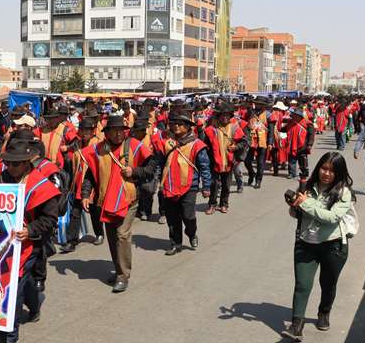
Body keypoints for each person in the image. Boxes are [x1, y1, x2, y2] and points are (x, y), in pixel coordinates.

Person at [0, 139, 60, 343]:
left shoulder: (42, 186)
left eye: (15, 164)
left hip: (29, 244)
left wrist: (30, 230)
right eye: (7, 163)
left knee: (13, 286)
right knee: (24, 281)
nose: (9, 167)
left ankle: (8, 335)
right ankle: (34, 303)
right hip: (2, 241)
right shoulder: (0, 180)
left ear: (26, 163)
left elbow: (50, 220)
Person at [282, 152, 354, 342]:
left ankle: (324, 312)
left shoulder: (343, 192)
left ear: (339, 173)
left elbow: (331, 218)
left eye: (332, 170)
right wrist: (295, 206)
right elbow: (296, 214)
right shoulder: (308, 187)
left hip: (334, 246)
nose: (327, 173)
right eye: (324, 168)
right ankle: (296, 326)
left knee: (328, 284)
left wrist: (306, 203)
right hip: (306, 243)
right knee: (302, 284)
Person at [81, 115, 154, 292]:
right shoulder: (98, 149)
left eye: (121, 130)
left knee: (122, 235)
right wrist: (85, 194)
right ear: (106, 133)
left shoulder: (135, 146)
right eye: (114, 130)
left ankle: (123, 276)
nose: (118, 134)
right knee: (113, 238)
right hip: (105, 201)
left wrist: (134, 171)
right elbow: (90, 174)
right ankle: (118, 268)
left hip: (128, 200)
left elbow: (151, 168)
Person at [159, 115, 212, 256]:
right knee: (172, 217)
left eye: (181, 124)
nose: (177, 126)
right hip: (169, 185)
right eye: (174, 124)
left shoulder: (197, 145)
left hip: (189, 186)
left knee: (188, 216)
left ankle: (191, 233)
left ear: (188, 127)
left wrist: (206, 187)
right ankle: (176, 243)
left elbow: (205, 167)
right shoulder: (167, 143)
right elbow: (160, 163)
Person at [62, 117, 104, 253]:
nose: (85, 132)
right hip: (77, 182)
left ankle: (99, 233)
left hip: (92, 184)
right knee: (75, 213)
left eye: (88, 130)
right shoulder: (77, 145)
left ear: (93, 131)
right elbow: (70, 159)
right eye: (83, 130)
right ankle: (71, 241)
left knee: (94, 212)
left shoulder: (98, 144)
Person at [203, 104, 247, 214]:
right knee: (214, 185)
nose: (225, 118)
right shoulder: (210, 130)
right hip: (213, 162)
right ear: (218, 116)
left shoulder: (235, 128)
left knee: (226, 186)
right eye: (223, 115)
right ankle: (212, 204)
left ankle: (224, 204)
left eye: (227, 115)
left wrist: (236, 147)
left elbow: (244, 142)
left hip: (229, 162)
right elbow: (205, 145)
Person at [245, 97, 274, 189]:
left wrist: (270, 142)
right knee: (247, 161)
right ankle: (251, 173)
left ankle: (258, 180)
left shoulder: (268, 115)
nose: (258, 105)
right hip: (251, 140)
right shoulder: (250, 113)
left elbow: (271, 130)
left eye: (260, 104)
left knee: (260, 162)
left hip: (263, 141)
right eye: (256, 103)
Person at [284, 108, 316, 188]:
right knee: (291, 160)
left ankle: (304, 172)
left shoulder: (308, 124)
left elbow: (311, 135)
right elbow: (285, 129)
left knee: (302, 160)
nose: (293, 116)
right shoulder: (291, 123)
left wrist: (309, 144)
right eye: (293, 115)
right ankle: (291, 173)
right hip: (292, 144)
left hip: (303, 145)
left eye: (295, 115)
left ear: (299, 116)